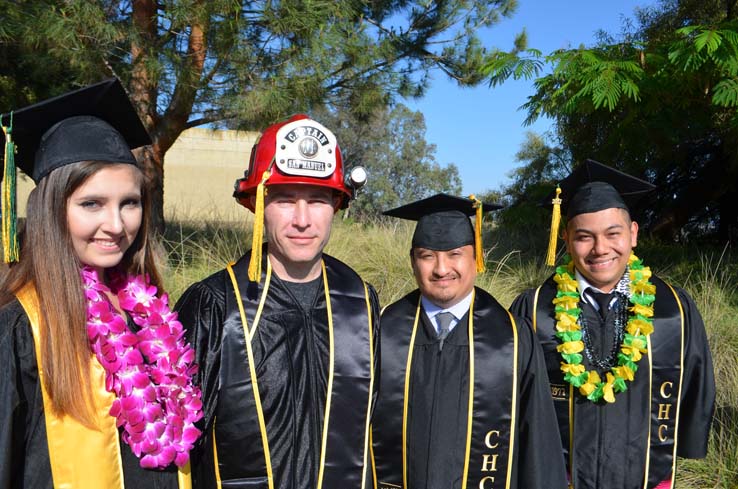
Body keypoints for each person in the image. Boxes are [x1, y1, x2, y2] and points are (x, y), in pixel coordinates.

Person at [0, 78, 202, 489]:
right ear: (52, 210)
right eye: (91, 203)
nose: (115, 225)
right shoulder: (20, 327)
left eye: (130, 203)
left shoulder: (149, 312)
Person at [174, 114, 379, 489]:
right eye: (285, 200)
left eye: (317, 200)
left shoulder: (361, 304)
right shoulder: (214, 305)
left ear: (336, 205)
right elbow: (178, 449)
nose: (303, 220)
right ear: (257, 205)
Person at [509, 159, 715, 489]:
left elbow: (696, 378)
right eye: (584, 237)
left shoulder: (673, 308)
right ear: (565, 238)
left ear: (633, 234)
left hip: (646, 475)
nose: (600, 249)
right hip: (556, 478)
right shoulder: (533, 310)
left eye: (613, 233)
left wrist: (687, 445)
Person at [372, 193, 568, 489]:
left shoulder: (513, 339)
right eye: (427, 256)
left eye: (454, 254)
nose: (441, 269)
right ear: (413, 261)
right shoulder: (381, 331)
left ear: (478, 257)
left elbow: (538, 448)